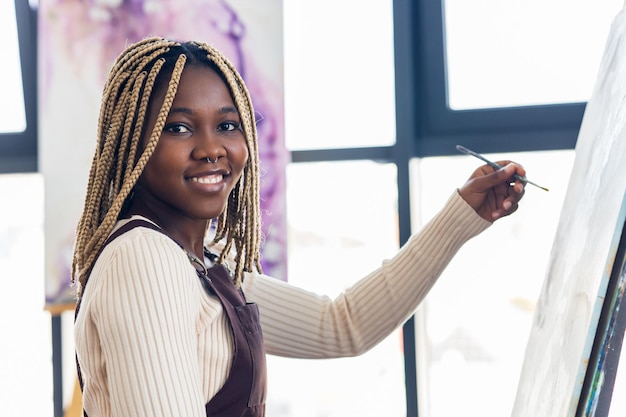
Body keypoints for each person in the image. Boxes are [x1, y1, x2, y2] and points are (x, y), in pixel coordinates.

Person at [72, 37, 526, 417]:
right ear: (133, 144)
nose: (212, 148)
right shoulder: (145, 259)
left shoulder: (198, 265)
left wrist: (461, 216)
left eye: (227, 125)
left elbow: (341, 326)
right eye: (179, 128)